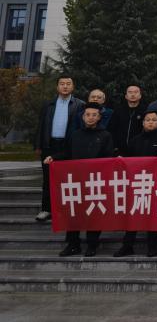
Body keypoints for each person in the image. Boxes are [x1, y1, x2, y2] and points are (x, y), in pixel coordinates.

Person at [43, 104, 114, 256]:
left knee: (94, 213)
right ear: (83, 117)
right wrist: (53, 158)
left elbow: (108, 158)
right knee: (73, 212)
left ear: (99, 117)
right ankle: (73, 244)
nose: (90, 118)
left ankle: (92, 244)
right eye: (87, 115)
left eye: (94, 115)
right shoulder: (75, 135)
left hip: (95, 181)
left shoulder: (105, 135)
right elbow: (67, 153)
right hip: (76, 181)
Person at [114, 109, 157, 258]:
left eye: (154, 120)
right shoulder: (135, 140)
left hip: (155, 185)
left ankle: (152, 247)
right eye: (148, 120)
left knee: (152, 216)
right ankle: (127, 246)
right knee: (133, 215)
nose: (150, 122)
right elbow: (127, 159)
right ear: (143, 122)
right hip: (137, 184)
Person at [33, 75, 85, 222]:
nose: (65, 86)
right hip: (49, 145)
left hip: (68, 146)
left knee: (69, 179)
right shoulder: (48, 104)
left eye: (68, 83)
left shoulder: (80, 104)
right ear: (57, 87)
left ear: (73, 87)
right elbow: (41, 125)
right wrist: (38, 145)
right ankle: (46, 209)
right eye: (62, 84)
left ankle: (67, 210)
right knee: (48, 179)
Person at [109, 84, 146, 156]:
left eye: (136, 92)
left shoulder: (145, 111)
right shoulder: (118, 111)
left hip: (139, 150)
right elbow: (111, 130)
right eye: (130, 92)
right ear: (126, 96)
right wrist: (115, 147)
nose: (133, 94)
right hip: (119, 151)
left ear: (140, 96)